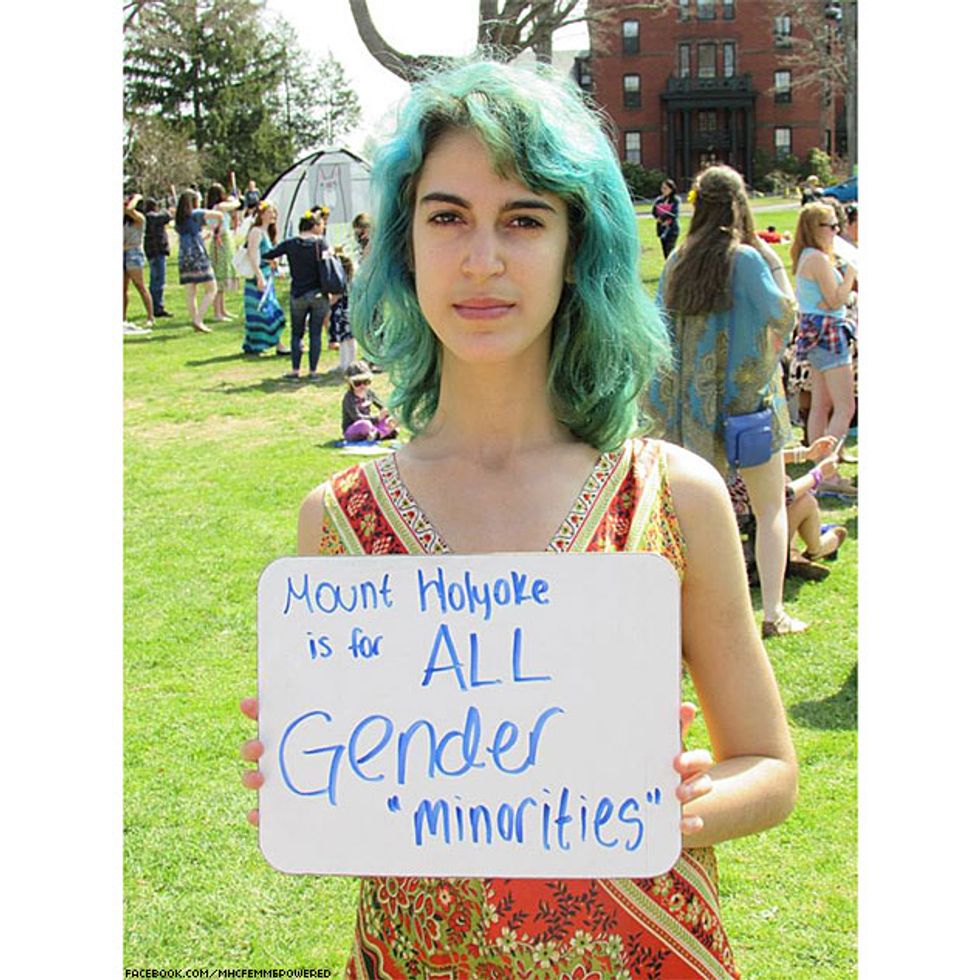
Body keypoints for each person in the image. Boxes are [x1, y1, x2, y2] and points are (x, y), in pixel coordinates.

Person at [240, 59, 796, 978]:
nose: (482, 259)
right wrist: (317, 775)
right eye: (447, 216)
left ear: (579, 247)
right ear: (405, 243)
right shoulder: (339, 523)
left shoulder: (674, 495)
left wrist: (675, 804)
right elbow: (372, 802)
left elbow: (770, 767)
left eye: (525, 219)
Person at [649, 165, 803, 638]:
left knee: (690, 519)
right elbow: (785, 315)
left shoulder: (678, 260)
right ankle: (773, 613)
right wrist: (775, 265)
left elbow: (657, 328)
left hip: (690, 414)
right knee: (769, 508)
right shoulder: (749, 260)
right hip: (748, 408)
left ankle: (689, 617)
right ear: (739, 204)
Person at [790, 202, 857, 488]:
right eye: (830, 226)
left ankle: (820, 467)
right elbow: (835, 299)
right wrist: (851, 273)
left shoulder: (807, 255)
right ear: (814, 228)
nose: (836, 231)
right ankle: (828, 472)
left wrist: (838, 296)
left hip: (816, 332)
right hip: (828, 333)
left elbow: (829, 300)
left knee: (821, 404)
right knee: (845, 406)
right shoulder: (817, 258)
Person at [262, 210, 336, 380]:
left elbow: (268, 254)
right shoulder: (321, 244)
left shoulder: (290, 243)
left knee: (297, 333)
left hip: (298, 293)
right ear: (314, 226)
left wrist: (273, 262)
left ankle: (295, 370)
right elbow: (330, 265)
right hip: (318, 293)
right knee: (315, 333)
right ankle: (313, 371)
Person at [241, 201, 288, 356]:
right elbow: (252, 254)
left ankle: (256, 344)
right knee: (265, 310)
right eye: (269, 212)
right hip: (258, 278)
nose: (273, 215)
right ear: (261, 214)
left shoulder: (268, 233)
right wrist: (259, 276)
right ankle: (275, 344)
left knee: (265, 310)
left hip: (268, 276)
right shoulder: (256, 232)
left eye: (274, 212)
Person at [175, 189, 222, 333]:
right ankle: (198, 319)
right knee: (211, 288)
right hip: (197, 255)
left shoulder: (180, 219)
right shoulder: (196, 213)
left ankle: (195, 318)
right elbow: (218, 214)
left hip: (184, 255)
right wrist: (216, 227)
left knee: (191, 291)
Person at [205, 183, 241, 322]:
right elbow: (236, 204)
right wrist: (234, 198)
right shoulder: (218, 207)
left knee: (224, 274)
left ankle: (223, 310)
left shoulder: (215, 208)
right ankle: (217, 312)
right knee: (220, 276)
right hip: (221, 242)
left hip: (223, 240)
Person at [340, 360, 397, 441]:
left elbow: (382, 406)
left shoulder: (369, 393)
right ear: (350, 383)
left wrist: (388, 415)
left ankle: (376, 435)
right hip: (354, 428)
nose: (362, 386)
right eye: (357, 383)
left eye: (366, 382)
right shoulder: (349, 398)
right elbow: (357, 417)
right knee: (365, 424)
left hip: (370, 423)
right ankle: (380, 433)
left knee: (392, 419)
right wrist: (377, 418)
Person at [123, 193, 154, 334]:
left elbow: (129, 209)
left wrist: (136, 198)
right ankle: (122, 318)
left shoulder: (139, 218)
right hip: (122, 252)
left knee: (140, 285)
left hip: (134, 253)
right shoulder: (124, 221)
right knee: (123, 289)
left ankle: (150, 317)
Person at [142, 197, 174, 319]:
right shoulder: (151, 217)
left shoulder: (147, 217)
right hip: (157, 252)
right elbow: (166, 216)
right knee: (158, 281)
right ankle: (157, 307)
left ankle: (155, 306)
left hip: (153, 252)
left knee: (155, 280)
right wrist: (167, 209)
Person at [651, 177, 680, 258]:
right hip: (661, 229)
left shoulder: (675, 200)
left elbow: (674, 213)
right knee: (665, 252)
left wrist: (664, 219)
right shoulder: (659, 200)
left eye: (665, 188)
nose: (663, 190)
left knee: (670, 251)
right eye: (662, 188)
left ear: (671, 189)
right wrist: (659, 219)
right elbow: (654, 211)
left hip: (671, 230)